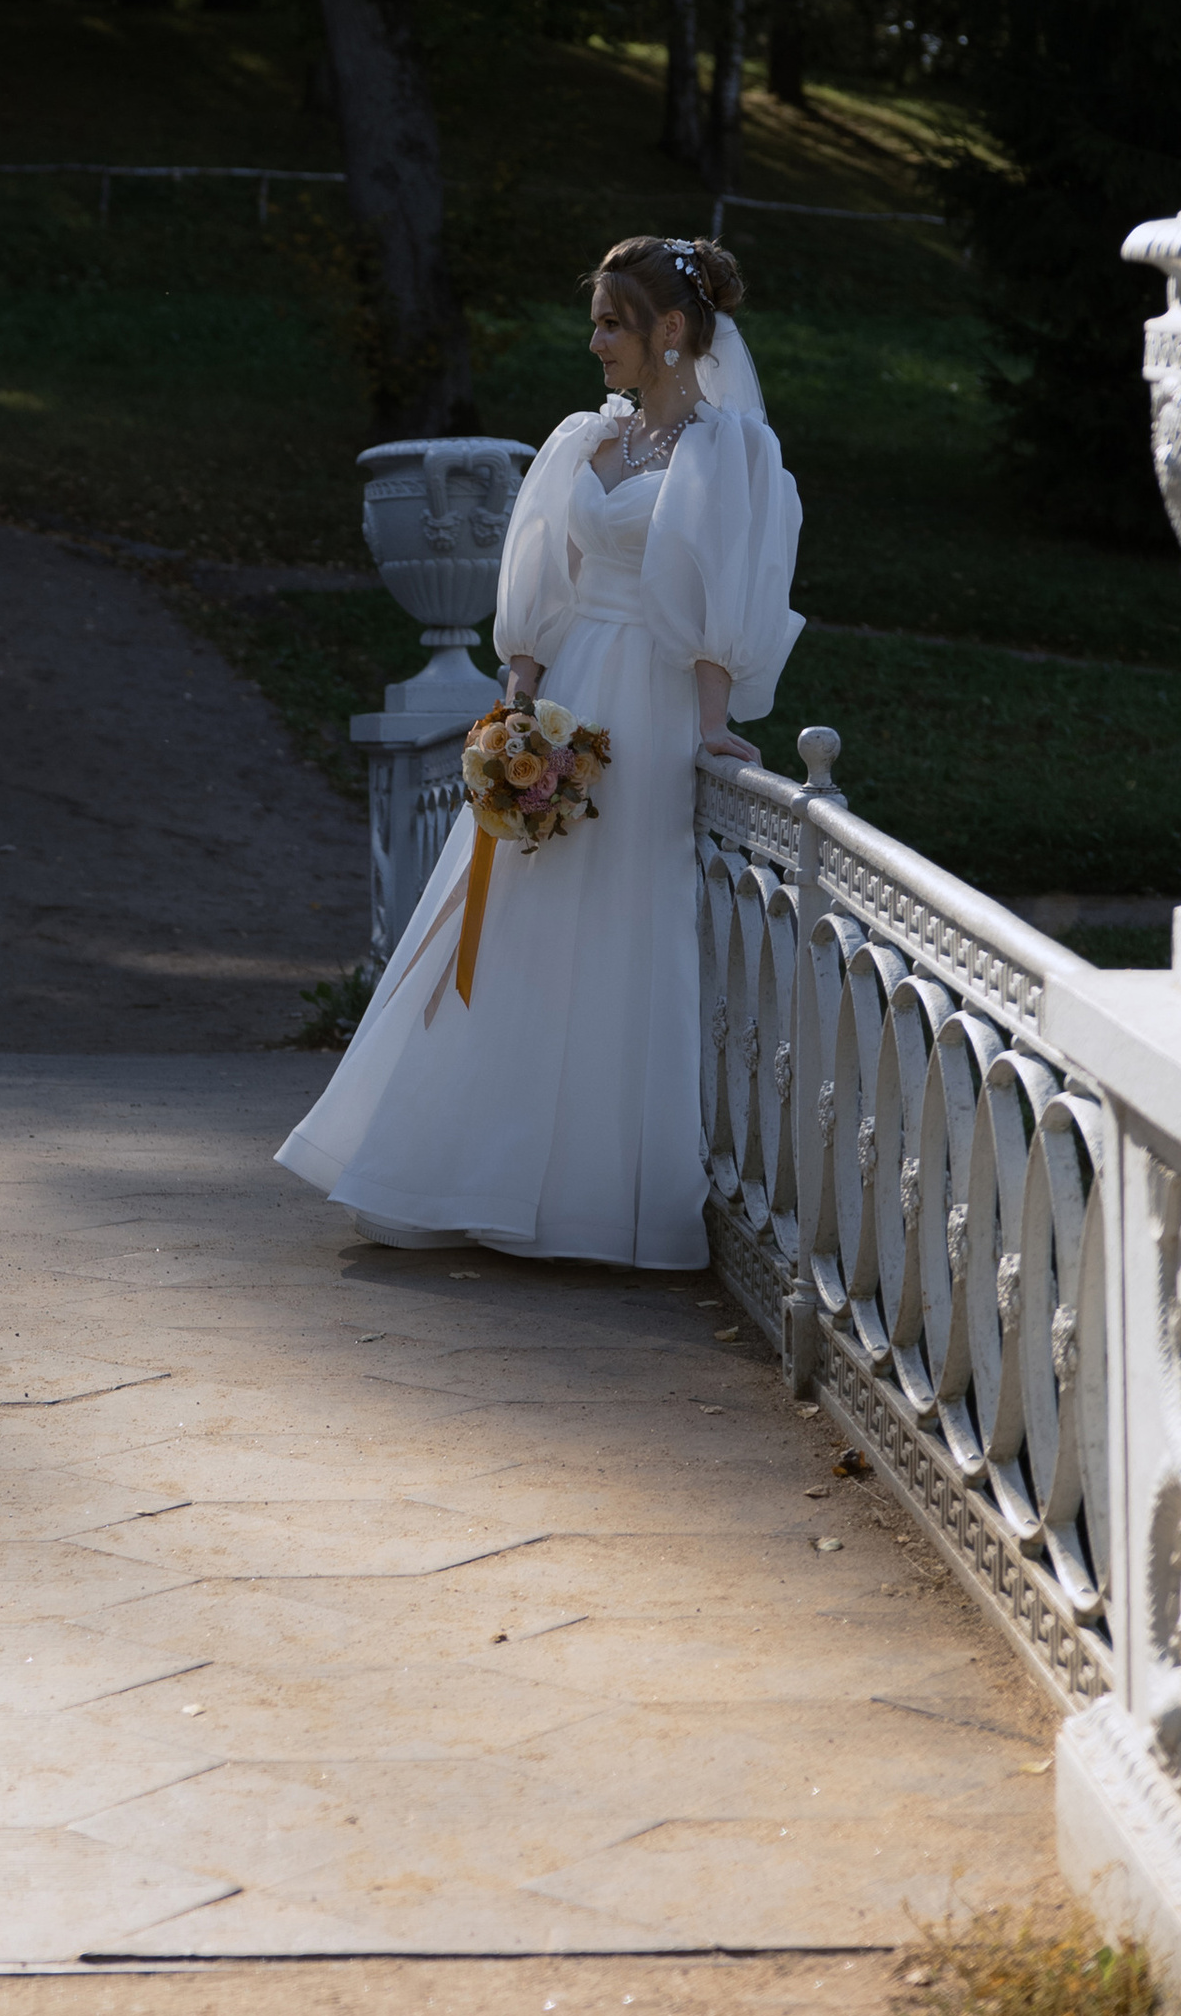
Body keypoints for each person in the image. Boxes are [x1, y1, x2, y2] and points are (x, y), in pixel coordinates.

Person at [278, 233, 801, 1270]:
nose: (595, 340)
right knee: (515, 922)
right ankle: (458, 1167)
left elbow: (718, 602)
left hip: (649, 714)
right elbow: (541, 585)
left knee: (616, 932)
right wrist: (519, 706)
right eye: (596, 320)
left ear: (671, 331)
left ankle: (588, 1200)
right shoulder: (582, 440)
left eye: (613, 322)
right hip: (569, 704)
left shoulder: (730, 452)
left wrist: (707, 731)